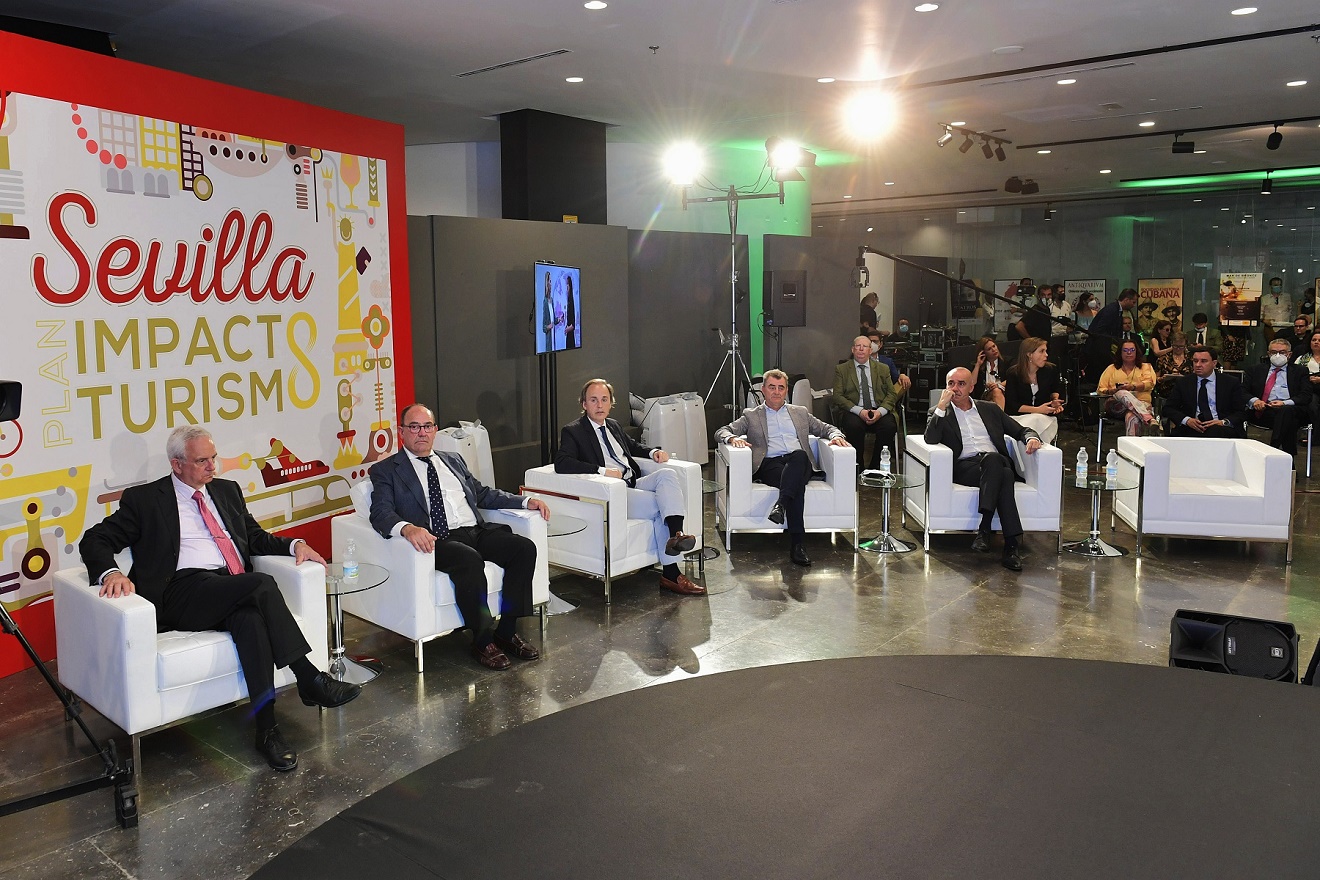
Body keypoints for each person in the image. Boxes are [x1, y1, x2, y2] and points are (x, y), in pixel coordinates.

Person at [79, 426, 359, 772]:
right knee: (261, 584)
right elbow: (94, 539)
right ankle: (308, 676)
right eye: (202, 461)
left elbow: (253, 537)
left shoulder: (227, 490)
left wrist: (294, 544)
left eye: (213, 457)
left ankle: (268, 731)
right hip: (182, 591)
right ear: (177, 464)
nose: (213, 466)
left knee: (251, 621)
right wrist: (111, 572)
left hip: (229, 586)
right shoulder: (147, 500)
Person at [369, 404, 551, 671]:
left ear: (435, 430)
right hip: (438, 539)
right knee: (469, 559)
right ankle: (482, 640)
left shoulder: (452, 459)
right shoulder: (387, 470)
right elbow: (380, 512)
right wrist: (407, 528)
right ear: (402, 432)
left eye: (427, 426)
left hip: (475, 531)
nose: (422, 433)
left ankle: (506, 631)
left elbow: (483, 494)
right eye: (414, 427)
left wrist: (525, 501)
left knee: (523, 548)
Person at [554, 379, 704, 596]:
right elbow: (562, 462)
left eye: (604, 400)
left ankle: (677, 534)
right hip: (615, 492)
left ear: (611, 403)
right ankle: (671, 575)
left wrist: (653, 452)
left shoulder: (613, 425)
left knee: (667, 475)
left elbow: (631, 447)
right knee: (658, 506)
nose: (599, 405)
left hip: (633, 482)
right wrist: (602, 471)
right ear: (584, 404)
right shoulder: (573, 431)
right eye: (593, 400)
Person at [715, 369, 850, 567]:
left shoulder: (800, 412)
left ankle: (781, 506)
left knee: (800, 456)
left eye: (781, 388)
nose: (776, 392)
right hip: (770, 465)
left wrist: (836, 436)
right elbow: (722, 431)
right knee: (796, 485)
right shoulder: (751, 415)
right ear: (763, 390)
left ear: (786, 390)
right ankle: (797, 545)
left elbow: (826, 428)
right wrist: (732, 438)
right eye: (772, 387)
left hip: (799, 462)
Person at [924, 367, 1043, 572]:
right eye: (951, 383)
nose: (955, 388)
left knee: (995, 461)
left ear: (971, 387)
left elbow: (1021, 430)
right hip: (967, 468)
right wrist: (941, 407)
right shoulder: (939, 412)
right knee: (1005, 474)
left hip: (995, 461)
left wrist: (1031, 438)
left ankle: (985, 530)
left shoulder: (990, 409)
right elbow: (930, 439)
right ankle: (1010, 546)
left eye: (961, 384)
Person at [832, 336, 898, 470]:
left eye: (865, 346)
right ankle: (858, 467)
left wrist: (880, 412)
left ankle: (876, 468)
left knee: (888, 426)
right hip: (855, 410)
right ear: (853, 350)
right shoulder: (842, 369)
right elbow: (837, 396)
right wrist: (859, 411)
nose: (861, 349)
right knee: (853, 426)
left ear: (870, 351)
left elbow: (892, 394)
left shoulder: (883, 368)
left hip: (878, 409)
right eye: (858, 346)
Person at [1245, 337, 1312, 454]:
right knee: (1289, 421)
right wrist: (1255, 401)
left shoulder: (1300, 371)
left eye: (1282, 352)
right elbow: (1242, 391)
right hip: (1263, 410)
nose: (1277, 355)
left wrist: (1284, 403)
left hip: (1293, 410)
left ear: (1289, 355)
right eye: (1273, 352)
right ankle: (1288, 458)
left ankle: (1274, 448)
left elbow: (1306, 395)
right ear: (1268, 354)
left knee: (1286, 411)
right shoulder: (1255, 370)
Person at [1161, 346, 1247, 438]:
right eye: (1195, 361)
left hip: (1221, 428)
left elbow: (1241, 412)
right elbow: (1168, 408)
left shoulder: (1230, 382)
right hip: (1191, 428)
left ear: (1214, 363)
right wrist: (1187, 420)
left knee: (1215, 431)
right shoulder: (1183, 383)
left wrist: (1223, 422)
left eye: (1203, 361)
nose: (1198, 365)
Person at [1003, 337, 1063, 445]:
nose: (1046, 355)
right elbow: (1012, 405)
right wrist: (1037, 410)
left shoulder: (1050, 370)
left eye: (1046, 351)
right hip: (1020, 417)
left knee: (1038, 420)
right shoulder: (1013, 374)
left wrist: (1055, 401)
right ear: (1029, 354)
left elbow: (1055, 389)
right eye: (1041, 351)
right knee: (1031, 422)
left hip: (1043, 418)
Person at [1097, 339, 1158, 436]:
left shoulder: (1146, 367)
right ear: (1120, 353)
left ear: (1137, 352)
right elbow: (1100, 390)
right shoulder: (1111, 368)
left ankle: (1132, 445)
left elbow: (1150, 383)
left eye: (1132, 350)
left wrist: (1132, 387)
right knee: (1122, 392)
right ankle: (1149, 419)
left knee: (1132, 417)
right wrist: (1114, 391)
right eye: (1125, 350)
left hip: (1142, 403)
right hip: (1116, 405)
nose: (1129, 353)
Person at [1086, 287, 1138, 381]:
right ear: (1126, 300)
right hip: (1099, 350)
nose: (1134, 305)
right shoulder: (1112, 310)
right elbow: (1099, 330)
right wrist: (1114, 339)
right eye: (1133, 302)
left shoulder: (1117, 310)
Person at [969, 336, 1007, 409]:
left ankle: (999, 415)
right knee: (996, 391)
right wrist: (978, 365)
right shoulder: (978, 366)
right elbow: (971, 383)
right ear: (984, 353)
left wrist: (998, 385)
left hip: (1003, 394)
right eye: (989, 349)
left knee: (996, 391)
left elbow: (1013, 379)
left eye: (994, 346)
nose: (994, 350)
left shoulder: (1007, 362)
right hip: (985, 397)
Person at [1295, 327, 1320, 425]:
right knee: (1312, 403)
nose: (1316, 342)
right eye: (1314, 340)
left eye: (1319, 341)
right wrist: (1306, 379)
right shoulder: (1301, 359)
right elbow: (1294, 376)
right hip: (1309, 390)